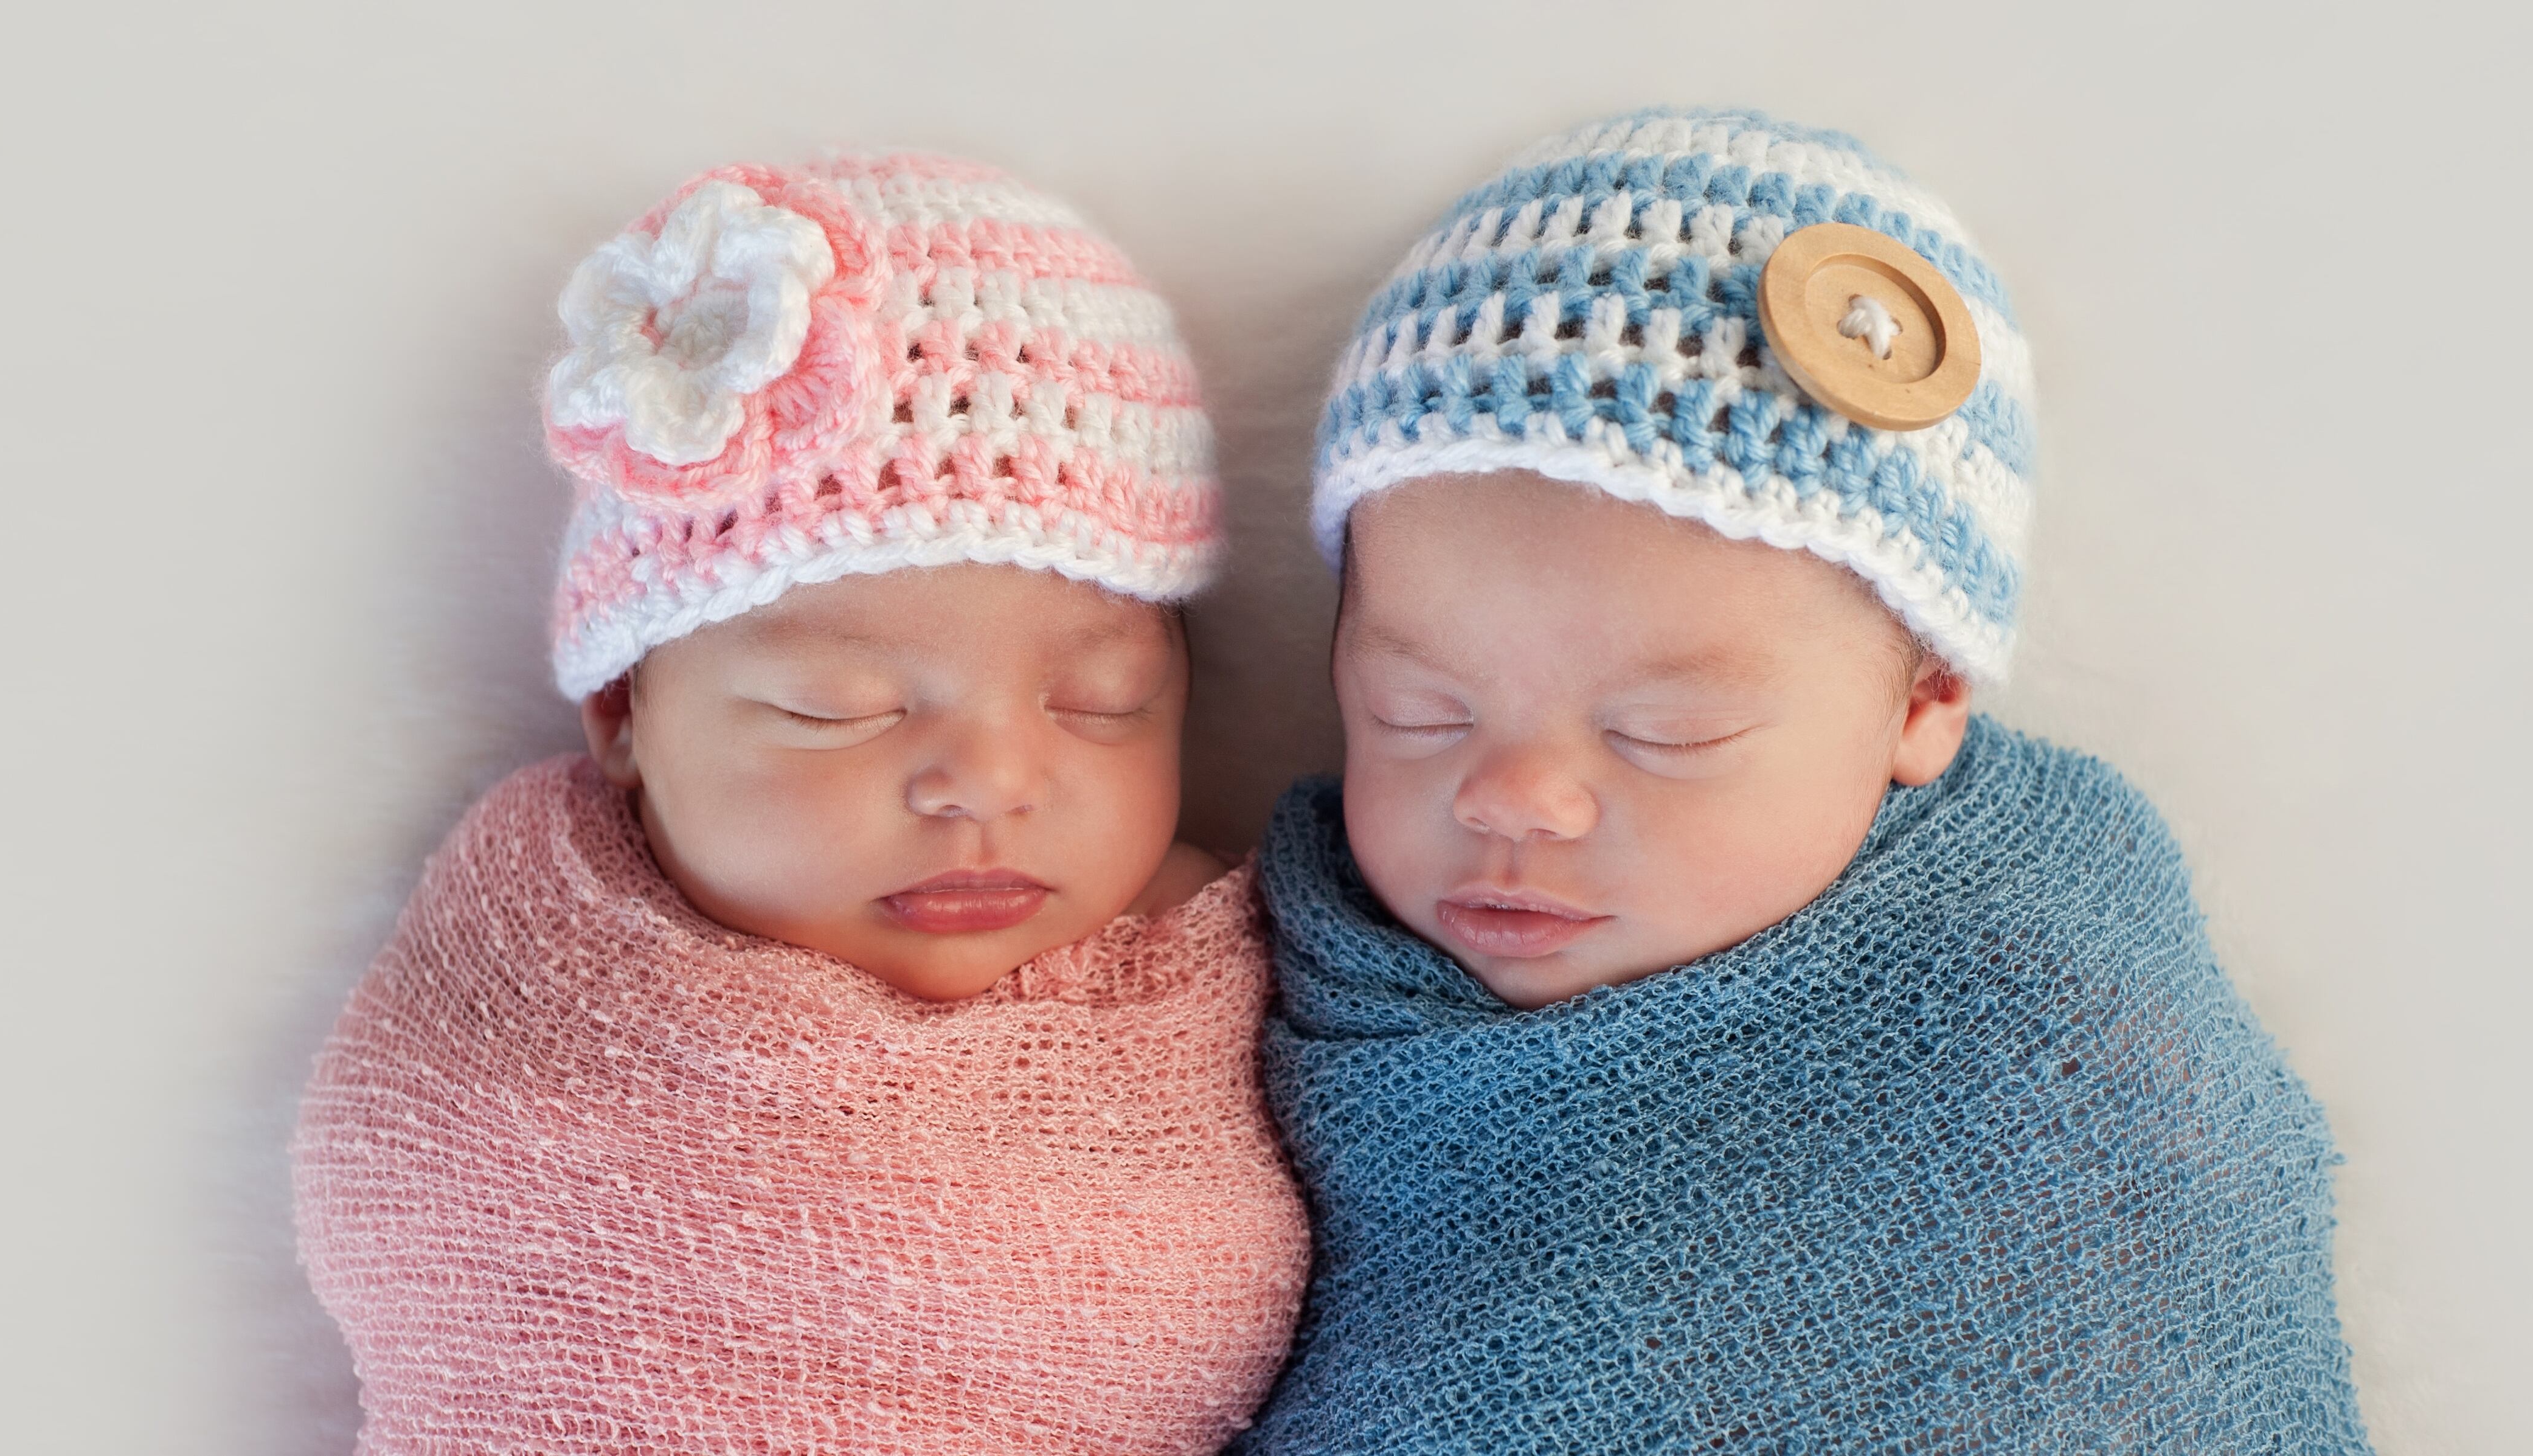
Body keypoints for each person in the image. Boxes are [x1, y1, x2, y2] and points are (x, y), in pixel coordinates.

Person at [1238, 108, 2372, 1453]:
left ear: (1925, 700)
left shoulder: (2044, 1005)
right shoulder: (1251, 989)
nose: (1514, 799)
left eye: (1665, 734)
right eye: (1413, 712)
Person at [292, 153, 1308, 1455]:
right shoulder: (531, 977)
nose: (991, 784)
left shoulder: (1241, 979)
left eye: (1101, 702)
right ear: (624, 719)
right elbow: (425, 1167)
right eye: (840, 708)